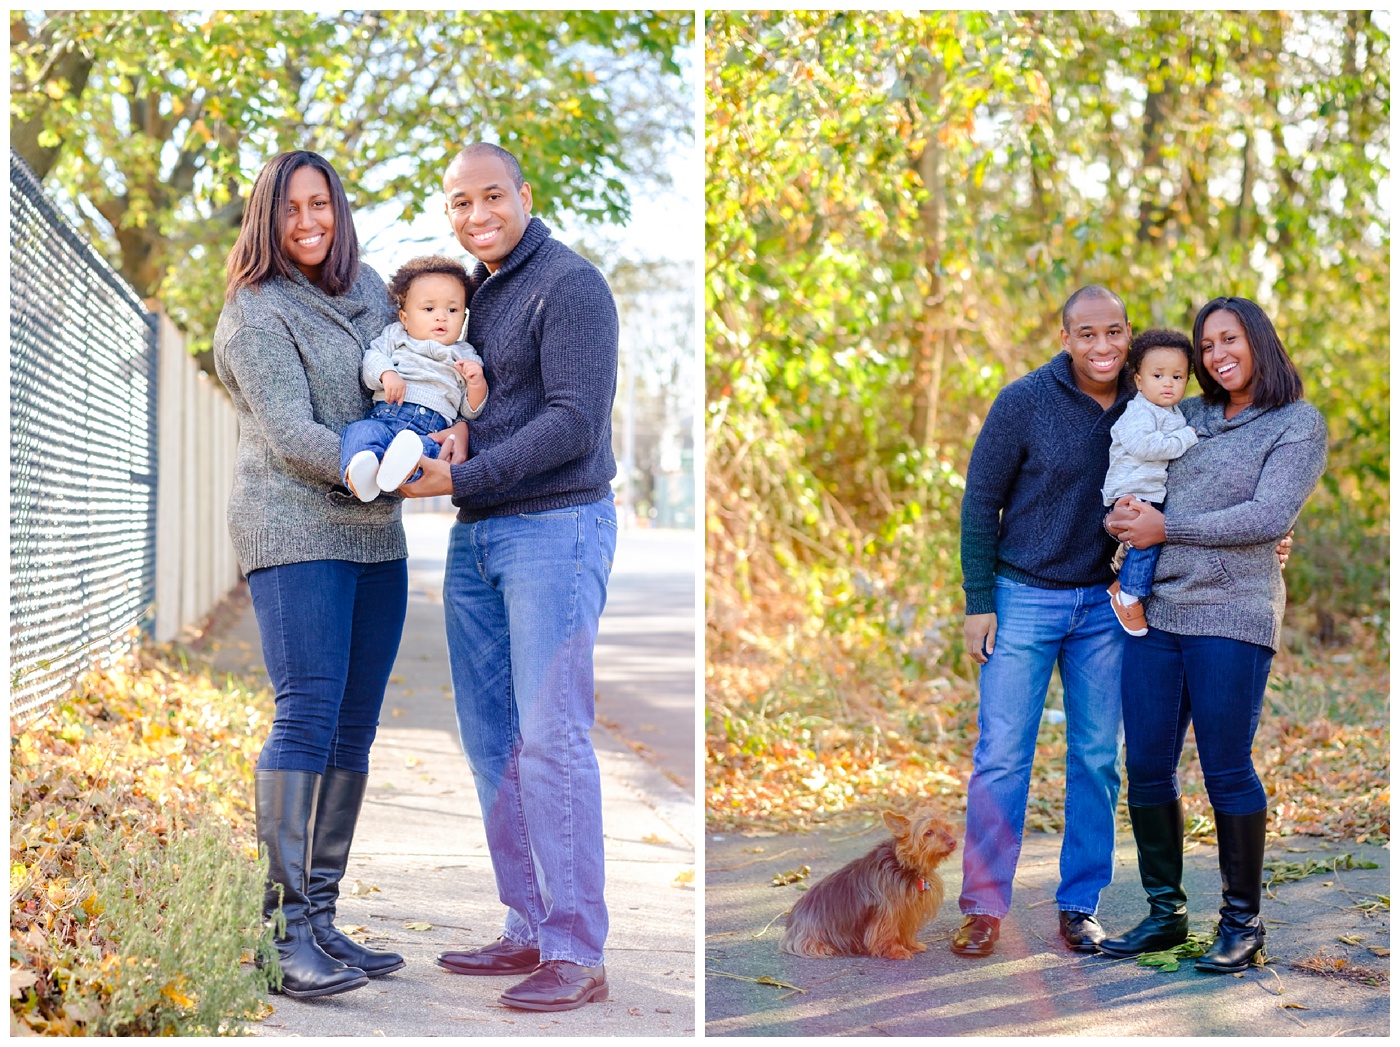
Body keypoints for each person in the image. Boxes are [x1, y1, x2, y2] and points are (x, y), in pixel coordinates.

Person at [213, 150, 463, 997]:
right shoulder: (255, 312)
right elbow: (289, 431)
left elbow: (421, 369)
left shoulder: (370, 293)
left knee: (353, 728)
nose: (309, 221)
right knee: (308, 713)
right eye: (290, 208)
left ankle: (319, 917)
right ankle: (280, 936)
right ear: (268, 218)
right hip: (293, 528)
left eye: (320, 204)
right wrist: (384, 470)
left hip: (375, 540)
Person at [399, 142, 619, 1013]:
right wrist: (455, 443)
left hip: (555, 531)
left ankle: (577, 949)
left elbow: (572, 420)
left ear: (525, 195)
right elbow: (483, 405)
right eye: (459, 202)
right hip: (479, 537)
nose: (476, 214)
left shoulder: (571, 285)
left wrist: (466, 474)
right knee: (491, 738)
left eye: (492, 196)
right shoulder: (477, 292)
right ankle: (526, 924)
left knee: (552, 738)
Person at [1098, 297, 1326, 973]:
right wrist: (1127, 512)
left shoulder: (1297, 423)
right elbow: (1141, 465)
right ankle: (1166, 914)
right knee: (1145, 766)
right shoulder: (1187, 413)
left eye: (1229, 338)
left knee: (1226, 766)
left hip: (1233, 612)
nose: (1217, 353)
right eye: (1207, 344)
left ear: (1258, 340)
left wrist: (1169, 530)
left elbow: (1268, 513)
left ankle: (1242, 922)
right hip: (1158, 611)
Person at [954, 285, 1134, 958]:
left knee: (1095, 757)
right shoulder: (1023, 401)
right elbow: (981, 501)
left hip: (1104, 606)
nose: (1102, 346)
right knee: (1001, 756)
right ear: (1066, 338)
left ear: (1127, 333)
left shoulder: (1151, 398)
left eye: (1114, 332)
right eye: (1087, 334)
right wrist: (979, 601)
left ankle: (1080, 903)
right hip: (1023, 596)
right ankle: (982, 907)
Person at [340, 255, 489, 502]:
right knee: (361, 431)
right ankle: (361, 475)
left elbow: (469, 411)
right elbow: (372, 358)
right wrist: (387, 374)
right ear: (405, 318)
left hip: (430, 429)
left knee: (430, 453)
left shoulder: (466, 355)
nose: (441, 317)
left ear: (463, 318)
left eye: (452, 310)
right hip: (386, 416)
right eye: (429, 309)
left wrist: (477, 384)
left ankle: (396, 473)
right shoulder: (395, 335)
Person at [1101, 328, 1198, 635]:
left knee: (1145, 544)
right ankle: (1127, 594)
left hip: (1149, 490)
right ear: (1140, 381)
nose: (1168, 383)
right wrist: (1186, 438)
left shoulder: (1171, 412)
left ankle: (1124, 571)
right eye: (1158, 376)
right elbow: (1147, 446)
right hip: (1132, 489)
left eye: (1177, 376)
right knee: (1147, 545)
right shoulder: (1139, 412)